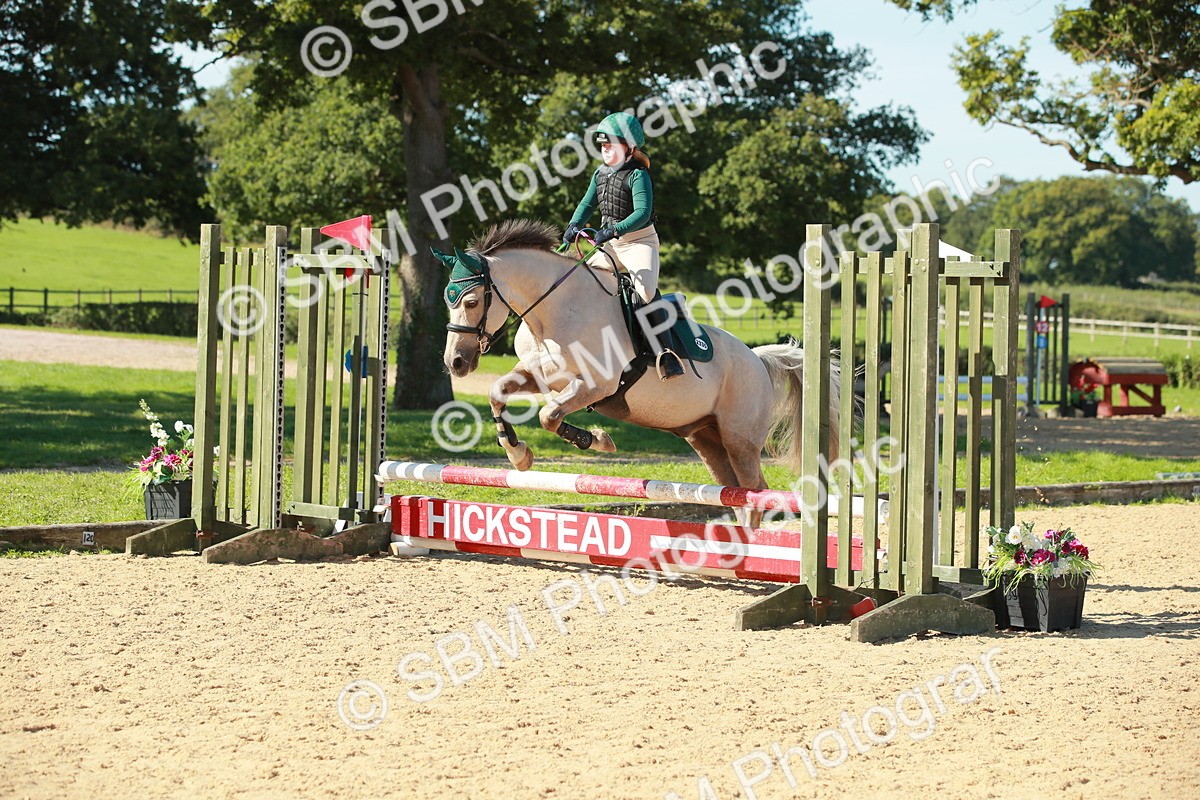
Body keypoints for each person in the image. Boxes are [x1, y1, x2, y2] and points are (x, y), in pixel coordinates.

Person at [562, 112, 684, 380]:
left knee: (644, 290)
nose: (605, 149)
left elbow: (642, 212)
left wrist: (613, 229)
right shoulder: (600, 173)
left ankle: (666, 352)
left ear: (628, 148)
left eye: (611, 145)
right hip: (610, 244)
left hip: (639, 242)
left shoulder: (638, 175)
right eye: (603, 145)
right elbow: (587, 204)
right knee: (579, 280)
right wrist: (573, 226)